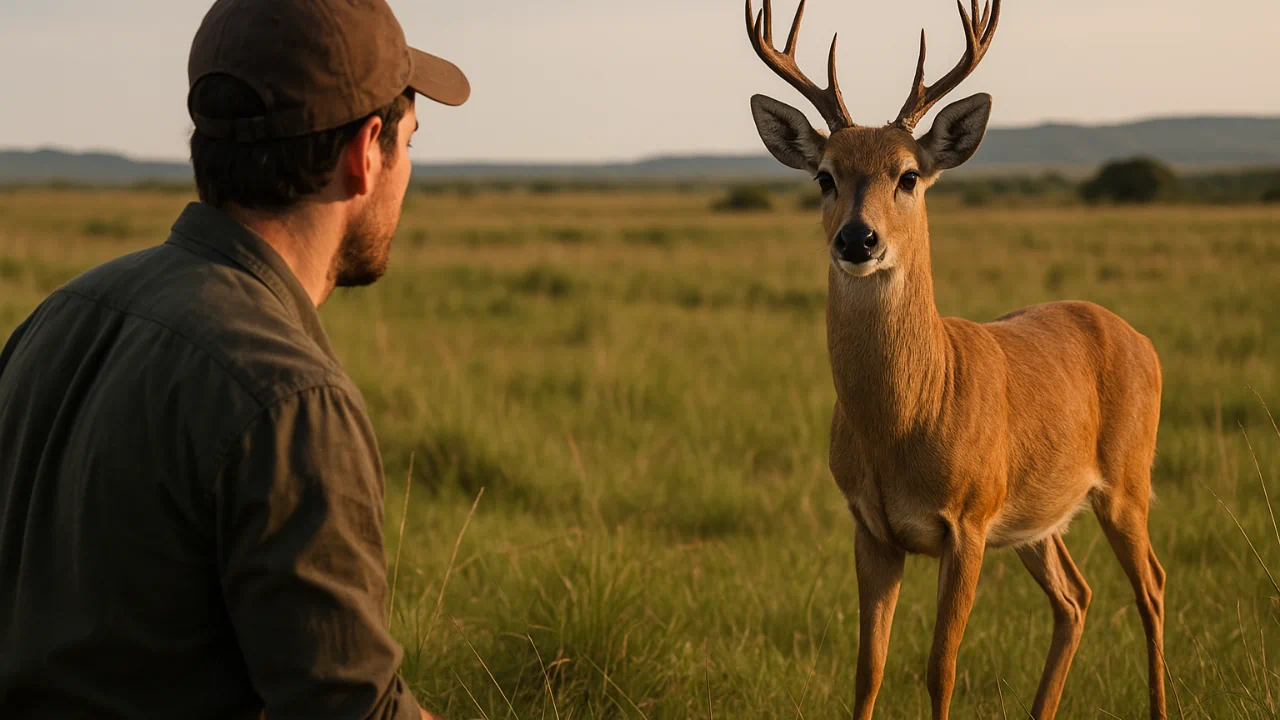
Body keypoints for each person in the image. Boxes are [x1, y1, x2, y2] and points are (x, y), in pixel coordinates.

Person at [0, 1, 469, 718]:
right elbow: (347, 709)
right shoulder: (289, 399)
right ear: (364, 152)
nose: (406, 172)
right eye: (409, 143)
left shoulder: (60, 314)